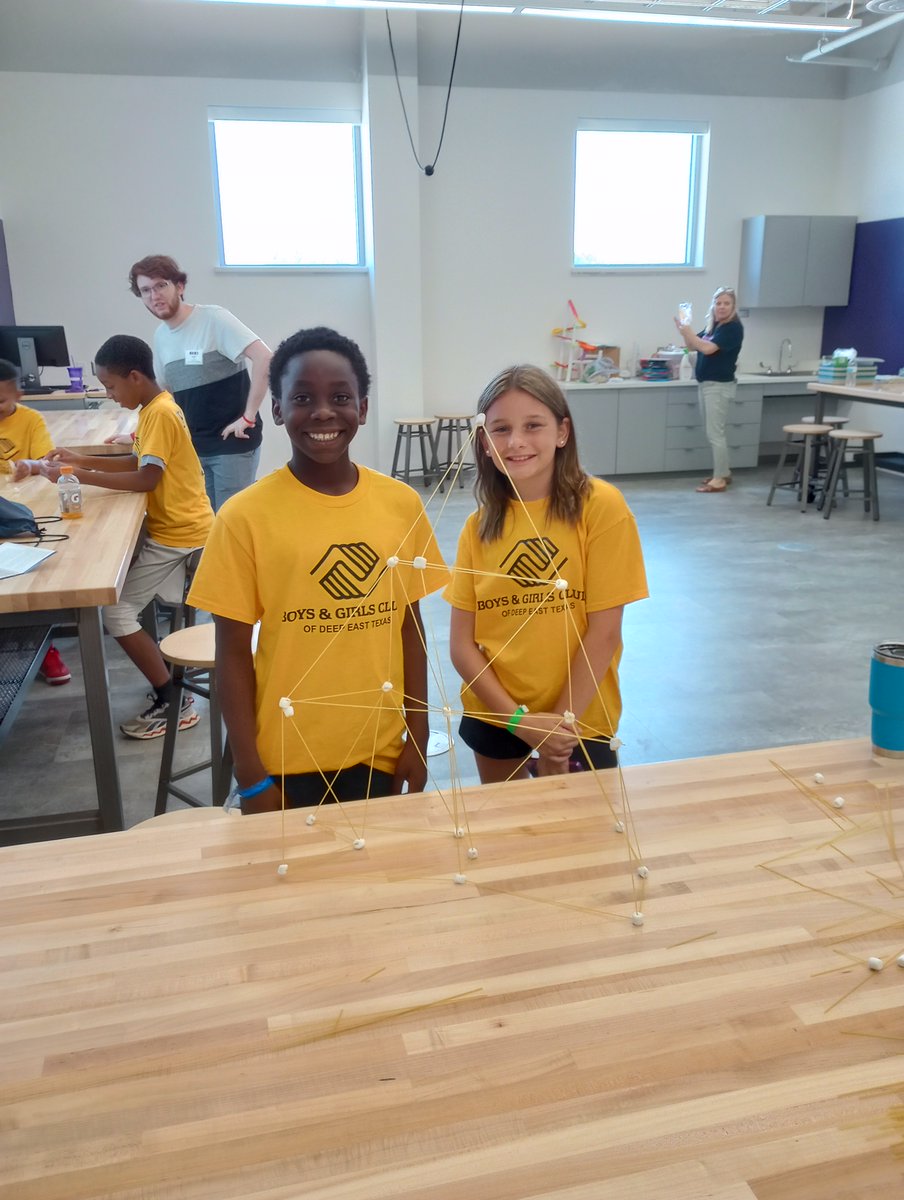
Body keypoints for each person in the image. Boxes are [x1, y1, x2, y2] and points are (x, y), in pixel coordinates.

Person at [187, 326, 447, 813]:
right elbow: (233, 654)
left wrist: (417, 734)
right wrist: (250, 773)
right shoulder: (243, 517)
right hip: (285, 755)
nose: (324, 411)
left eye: (341, 397)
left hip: (381, 748)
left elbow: (410, 630)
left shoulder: (401, 504)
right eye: (303, 397)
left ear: (363, 408)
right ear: (278, 409)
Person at [446, 365, 648, 783]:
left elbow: (603, 633)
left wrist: (558, 727)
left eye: (533, 425)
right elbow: (462, 647)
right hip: (498, 717)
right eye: (500, 429)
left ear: (562, 432)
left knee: (582, 840)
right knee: (512, 836)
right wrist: (521, 723)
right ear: (484, 443)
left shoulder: (602, 508)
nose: (516, 442)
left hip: (579, 721)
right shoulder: (478, 528)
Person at [43, 335, 213, 738]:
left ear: (134, 377)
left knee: (116, 613)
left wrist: (75, 476)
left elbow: (146, 479)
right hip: (180, 527)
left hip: (181, 534)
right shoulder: (157, 407)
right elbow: (141, 460)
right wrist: (80, 458)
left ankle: (175, 700)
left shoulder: (161, 413)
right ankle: (169, 689)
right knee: (121, 606)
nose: (109, 394)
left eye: (111, 386)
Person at [128, 254, 272, 511]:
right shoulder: (161, 337)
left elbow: (264, 358)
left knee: (231, 523)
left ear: (179, 286)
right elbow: (166, 396)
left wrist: (249, 416)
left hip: (232, 445)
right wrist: (140, 433)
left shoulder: (213, 319)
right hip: (194, 447)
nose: (154, 296)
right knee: (208, 524)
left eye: (161, 285)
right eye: (145, 290)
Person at [0, 358, 70, 685]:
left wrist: (32, 466)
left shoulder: (31, 420)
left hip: (22, 508)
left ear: (18, 394)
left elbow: (47, 464)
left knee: (24, 572)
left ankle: (46, 648)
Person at [675, 286, 744, 493]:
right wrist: (684, 330)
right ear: (713, 305)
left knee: (715, 433)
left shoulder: (732, 328)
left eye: (726, 303)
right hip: (706, 385)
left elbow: (707, 348)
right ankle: (723, 472)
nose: (722, 307)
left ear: (733, 306)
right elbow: (693, 345)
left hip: (718, 386)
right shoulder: (713, 328)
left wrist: (688, 333)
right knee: (713, 432)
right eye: (718, 303)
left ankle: (720, 479)